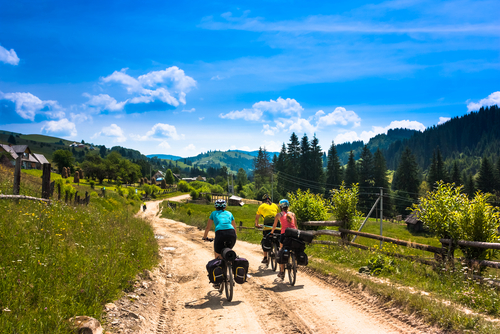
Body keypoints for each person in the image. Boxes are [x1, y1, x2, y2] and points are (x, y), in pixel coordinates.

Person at [270, 199, 297, 279]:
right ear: (288, 206)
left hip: (284, 235)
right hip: (294, 234)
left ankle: (281, 272)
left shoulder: (279, 215)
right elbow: (295, 226)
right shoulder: (293, 214)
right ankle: (294, 262)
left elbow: (274, 226)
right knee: (293, 248)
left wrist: (271, 232)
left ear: (280, 207)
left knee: (282, 250)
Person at [254, 194, 280, 263]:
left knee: (265, 237)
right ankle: (277, 250)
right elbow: (278, 215)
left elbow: (257, 217)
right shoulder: (275, 205)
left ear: (263, 201)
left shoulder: (261, 206)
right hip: (277, 223)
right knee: (277, 236)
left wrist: (257, 225)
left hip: (267, 223)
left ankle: (265, 258)